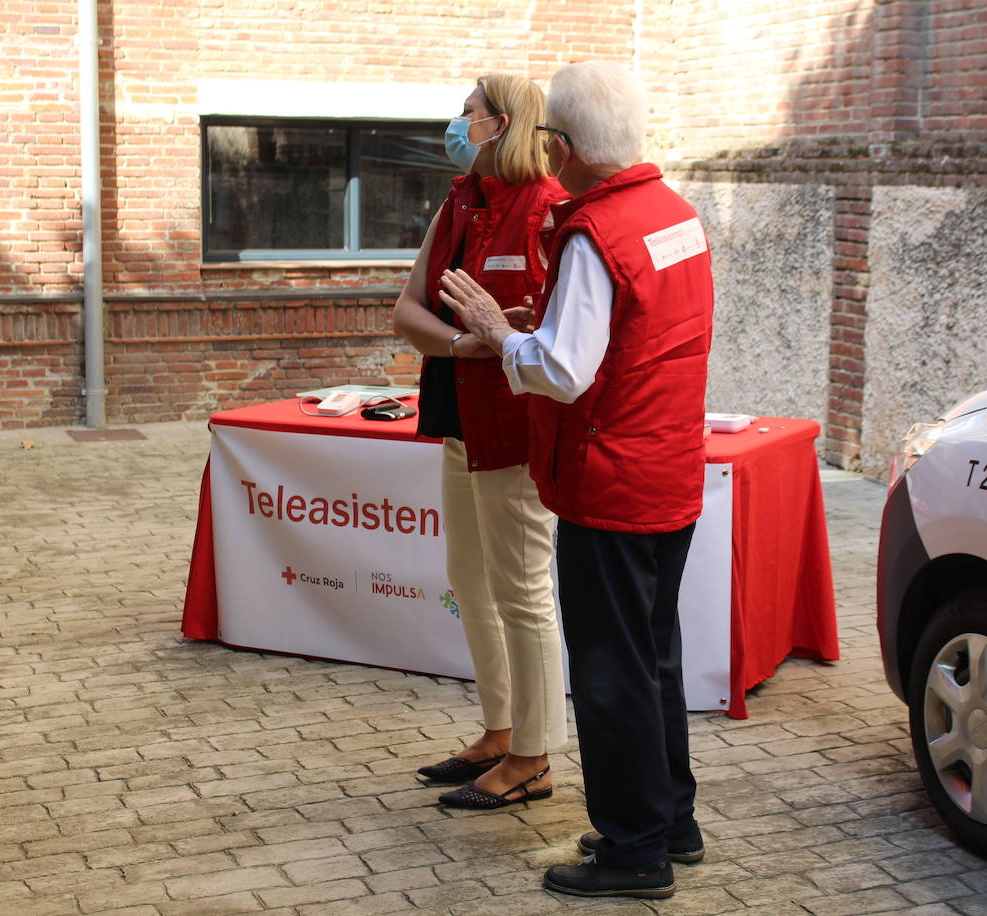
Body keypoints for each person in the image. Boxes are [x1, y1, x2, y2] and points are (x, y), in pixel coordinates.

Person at [439, 60, 714, 899]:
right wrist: (546, 328)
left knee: (610, 674)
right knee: (652, 658)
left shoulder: (598, 233)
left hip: (611, 480)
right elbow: (636, 332)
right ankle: (671, 821)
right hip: (666, 471)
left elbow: (561, 371)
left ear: (561, 145)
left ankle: (635, 851)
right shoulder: (673, 215)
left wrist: (496, 330)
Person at [393, 75, 569, 810]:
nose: (457, 124)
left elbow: (561, 338)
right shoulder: (460, 198)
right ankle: (499, 731)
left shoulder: (553, 211)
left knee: (521, 590)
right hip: (459, 414)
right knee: (470, 580)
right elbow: (406, 312)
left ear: (500, 124)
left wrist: (501, 337)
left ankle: (535, 755)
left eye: (467, 112)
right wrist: (468, 343)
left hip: (516, 429)